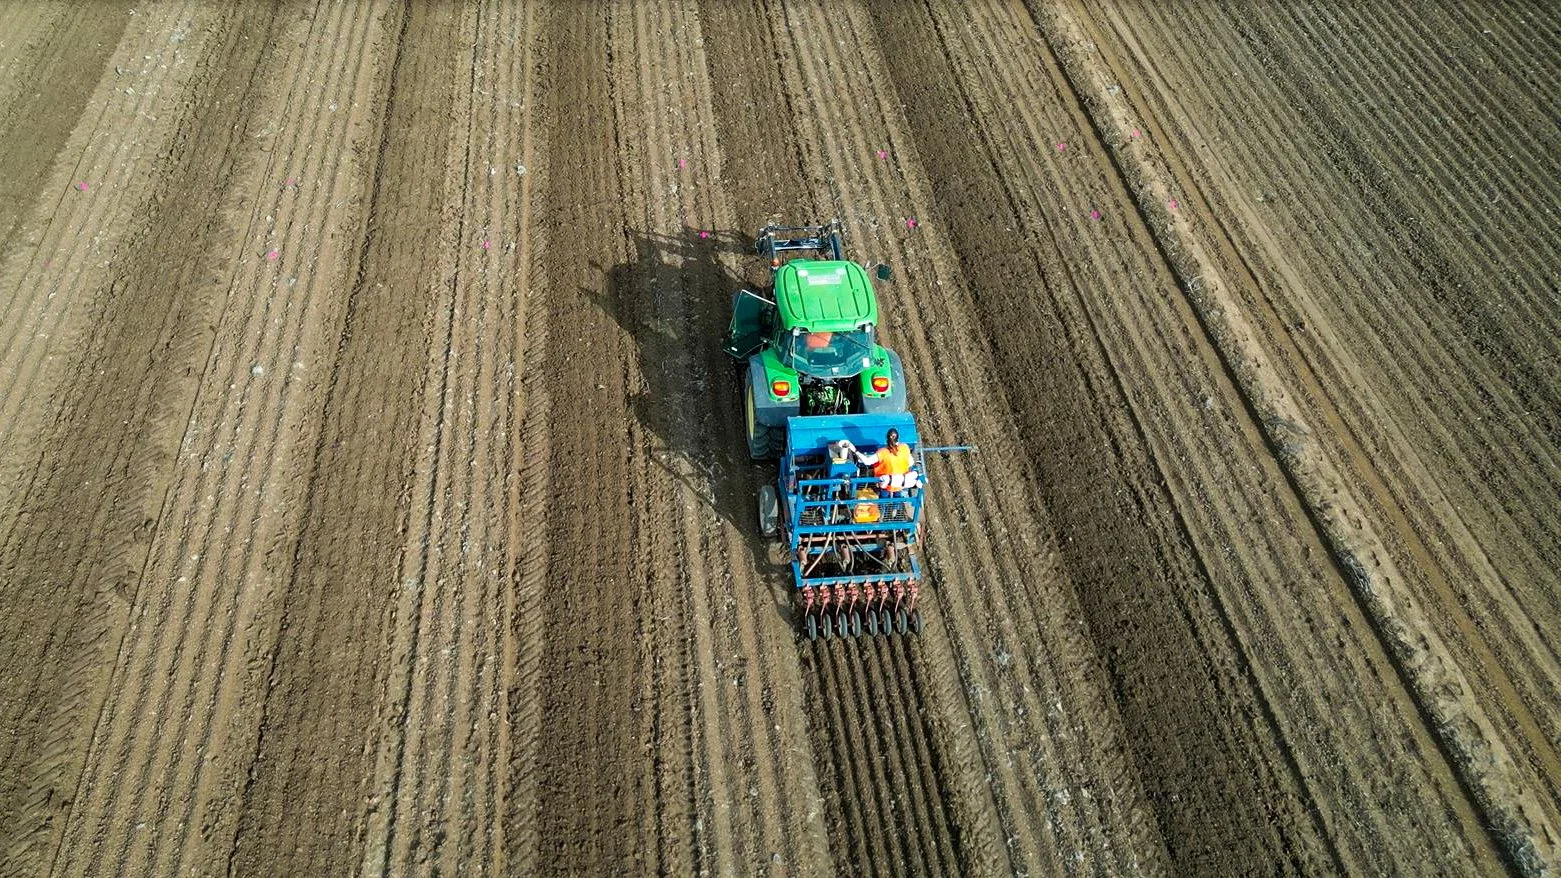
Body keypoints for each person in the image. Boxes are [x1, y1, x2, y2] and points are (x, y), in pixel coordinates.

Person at [855, 428, 918, 493]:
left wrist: (856, 451)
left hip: (885, 483)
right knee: (898, 496)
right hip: (900, 484)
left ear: (887, 438)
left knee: (883, 496)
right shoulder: (905, 447)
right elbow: (911, 463)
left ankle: (883, 502)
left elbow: (867, 462)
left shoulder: (882, 452)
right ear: (898, 438)